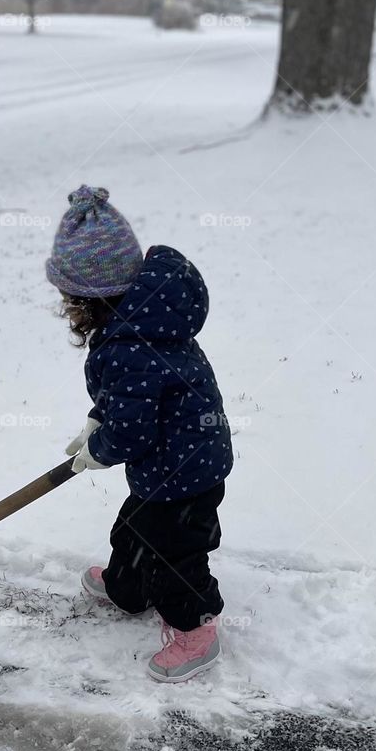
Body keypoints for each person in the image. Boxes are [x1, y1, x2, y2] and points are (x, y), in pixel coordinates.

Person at [46, 185, 233, 683]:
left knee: (176, 556)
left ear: (91, 298)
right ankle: (128, 588)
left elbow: (132, 429)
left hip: (185, 471)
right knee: (134, 529)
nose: (67, 307)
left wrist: (101, 448)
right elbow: (132, 398)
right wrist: (97, 419)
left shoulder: (132, 344)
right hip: (170, 460)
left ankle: (196, 631)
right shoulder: (142, 322)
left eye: (70, 299)